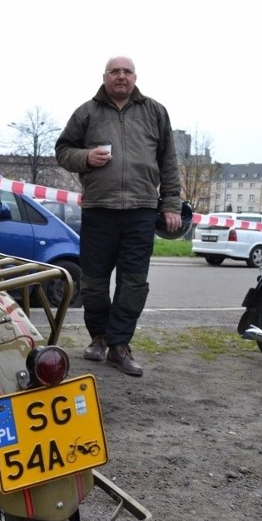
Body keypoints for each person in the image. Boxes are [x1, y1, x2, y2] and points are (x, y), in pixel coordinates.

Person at [55, 56, 182, 377]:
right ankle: (98, 338)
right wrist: (85, 157)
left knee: (134, 284)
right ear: (105, 76)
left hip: (142, 210)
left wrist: (171, 204)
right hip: (99, 209)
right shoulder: (87, 112)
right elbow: (63, 150)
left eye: (127, 72)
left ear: (135, 77)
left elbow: (169, 160)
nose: (121, 77)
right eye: (115, 71)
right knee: (94, 284)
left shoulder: (155, 111)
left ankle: (119, 346)